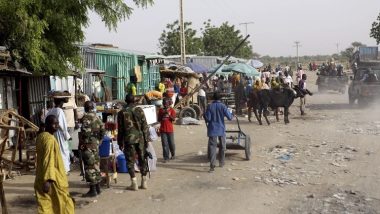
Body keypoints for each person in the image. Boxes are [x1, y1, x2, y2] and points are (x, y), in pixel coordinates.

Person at [34, 115, 75, 214]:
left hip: (40, 175)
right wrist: (48, 179)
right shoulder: (50, 140)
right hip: (52, 178)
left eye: (57, 123)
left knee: (46, 204)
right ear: (47, 125)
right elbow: (49, 159)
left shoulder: (41, 136)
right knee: (63, 203)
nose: (57, 126)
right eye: (54, 124)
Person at [117, 94, 150, 191]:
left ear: (125, 101)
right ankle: (144, 181)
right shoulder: (139, 110)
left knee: (130, 161)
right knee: (142, 159)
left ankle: (134, 183)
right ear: (134, 100)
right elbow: (145, 126)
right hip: (140, 139)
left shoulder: (122, 112)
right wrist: (146, 139)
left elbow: (121, 129)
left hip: (128, 140)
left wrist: (120, 142)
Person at [79, 101, 106, 197]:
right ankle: (98, 189)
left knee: (89, 167)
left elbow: (84, 133)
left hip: (88, 146)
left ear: (86, 108)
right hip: (96, 145)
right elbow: (103, 129)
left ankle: (93, 190)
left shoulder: (85, 118)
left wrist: (82, 142)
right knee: (96, 165)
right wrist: (100, 140)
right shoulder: (97, 117)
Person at [204, 92, 233, 172]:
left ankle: (212, 166)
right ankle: (222, 162)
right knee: (222, 146)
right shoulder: (223, 106)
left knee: (213, 147)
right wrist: (231, 113)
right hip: (221, 129)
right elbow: (230, 117)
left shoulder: (210, 106)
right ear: (220, 98)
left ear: (213, 98)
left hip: (212, 129)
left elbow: (208, 119)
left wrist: (205, 115)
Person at [45, 97, 71, 173]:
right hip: (59, 133)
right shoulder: (59, 111)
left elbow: (45, 120)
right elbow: (62, 125)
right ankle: (64, 169)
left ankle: (57, 168)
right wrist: (67, 136)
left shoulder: (51, 110)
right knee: (63, 150)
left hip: (52, 133)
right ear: (61, 103)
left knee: (56, 150)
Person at [158, 98, 176, 162]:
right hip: (163, 130)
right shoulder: (160, 110)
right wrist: (163, 114)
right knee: (165, 144)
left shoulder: (172, 110)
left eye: (166, 104)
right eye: (164, 104)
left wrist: (168, 114)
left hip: (170, 130)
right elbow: (159, 119)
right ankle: (166, 157)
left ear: (168, 104)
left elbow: (173, 119)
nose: (165, 105)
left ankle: (173, 155)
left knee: (171, 143)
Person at [62, 91, 78, 162]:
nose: (67, 97)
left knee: (69, 142)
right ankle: (71, 156)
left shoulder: (72, 101)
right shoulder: (61, 103)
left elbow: (75, 112)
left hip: (71, 125)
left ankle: (70, 156)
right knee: (65, 142)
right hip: (63, 126)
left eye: (68, 96)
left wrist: (76, 121)